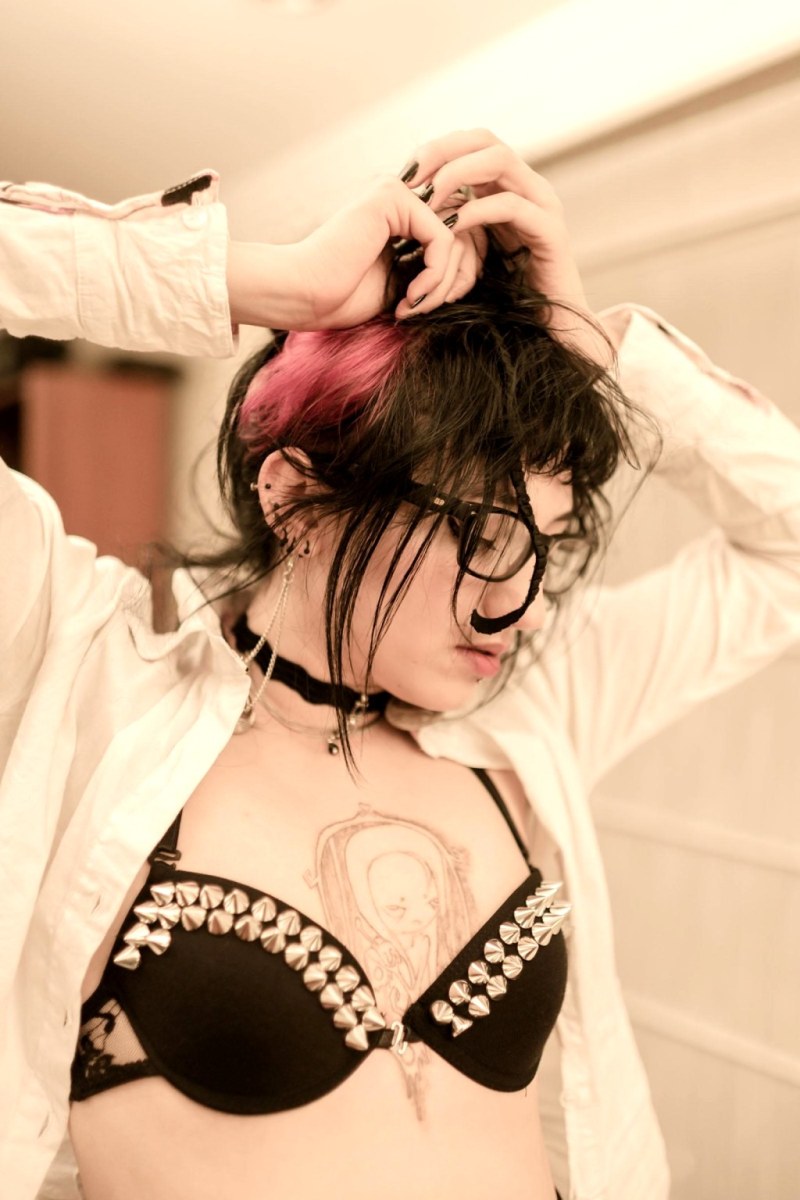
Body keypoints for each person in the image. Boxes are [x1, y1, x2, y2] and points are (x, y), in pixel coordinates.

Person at [1, 129, 799, 1200]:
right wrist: (267, 279)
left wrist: (598, 354)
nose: (518, 602)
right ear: (293, 495)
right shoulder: (75, 667)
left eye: (546, 542)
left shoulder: (531, 710)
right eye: (481, 533)